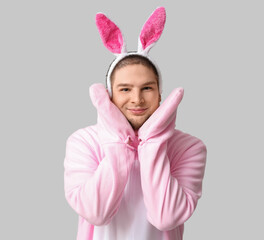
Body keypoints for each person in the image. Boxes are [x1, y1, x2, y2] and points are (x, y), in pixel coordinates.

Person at [64, 7, 207, 240]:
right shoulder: (83, 142)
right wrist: (119, 139)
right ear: (109, 95)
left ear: (160, 94)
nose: (137, 99)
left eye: (147, 88)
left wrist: (152, 140)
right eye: (125, 89)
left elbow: (166, 216)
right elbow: (96, 213)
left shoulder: (190, 147)